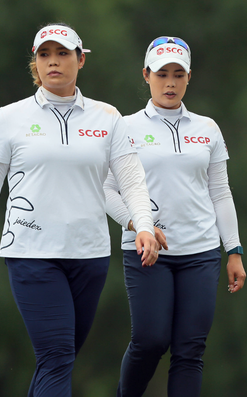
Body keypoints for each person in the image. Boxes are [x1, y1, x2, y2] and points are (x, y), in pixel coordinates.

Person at [0, 23, 159, 396]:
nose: (53, 62)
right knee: (57, 355)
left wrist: (143, 225)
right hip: (31, 254)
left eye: (62, 54)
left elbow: (132, 181)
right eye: (44, 55)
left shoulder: (108, 118)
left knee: (57, 361)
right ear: (35, 63)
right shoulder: (8, 118)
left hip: (90, 256)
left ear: (80, 60)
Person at [104, 36, 246, 397]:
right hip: (148, 252)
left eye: (178, 74)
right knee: (151, 340)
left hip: (200, 253)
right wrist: (140, 226)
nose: (170, 82)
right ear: (146, 75)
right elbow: (104, 191)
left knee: (189, 351)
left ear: (189, 77)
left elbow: (220, 192)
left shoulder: (208, 128)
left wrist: (234, 249)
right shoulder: (125, 127)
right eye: (162, 73)